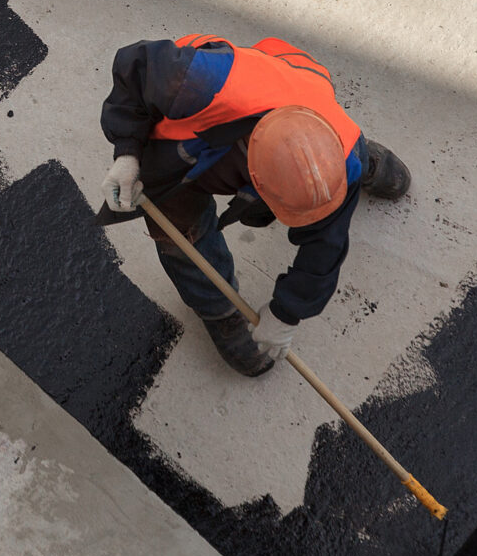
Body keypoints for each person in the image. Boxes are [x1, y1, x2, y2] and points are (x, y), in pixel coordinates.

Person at [100, 33, 410, 376]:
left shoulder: (341, 158)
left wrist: (287, 311)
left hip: (309, 108)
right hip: (198, 123)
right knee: (181, 232)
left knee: (345, 159)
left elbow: (326, 247)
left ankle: (366, 161)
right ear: (254, 182)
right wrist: (127, 152)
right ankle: (219, 313)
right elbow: (134, 65)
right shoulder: (198, 81)